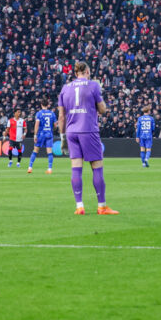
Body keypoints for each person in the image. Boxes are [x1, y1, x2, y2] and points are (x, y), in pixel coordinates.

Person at [57, 61, 118, 214]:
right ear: (86, 70)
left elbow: (61, 116)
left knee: (76, 168)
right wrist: (100, 98)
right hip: (88, 130)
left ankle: (79, 206)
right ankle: (102, 206)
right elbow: (102, 109)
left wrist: (62, 137)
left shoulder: (65, 88)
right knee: (97, 168)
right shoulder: (93, 85)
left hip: (71, 132)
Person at [28, 100, 57, 174]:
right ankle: (50, 169)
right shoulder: (52, 113)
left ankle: (30, 167)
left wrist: (35, 135)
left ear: (41, 105)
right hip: (49, 134)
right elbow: (55, 125)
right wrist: (52, 129)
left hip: (41, 134)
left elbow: (37, 124)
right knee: (49, 152)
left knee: (35, 150)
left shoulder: (39, 113)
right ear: (48, 105)